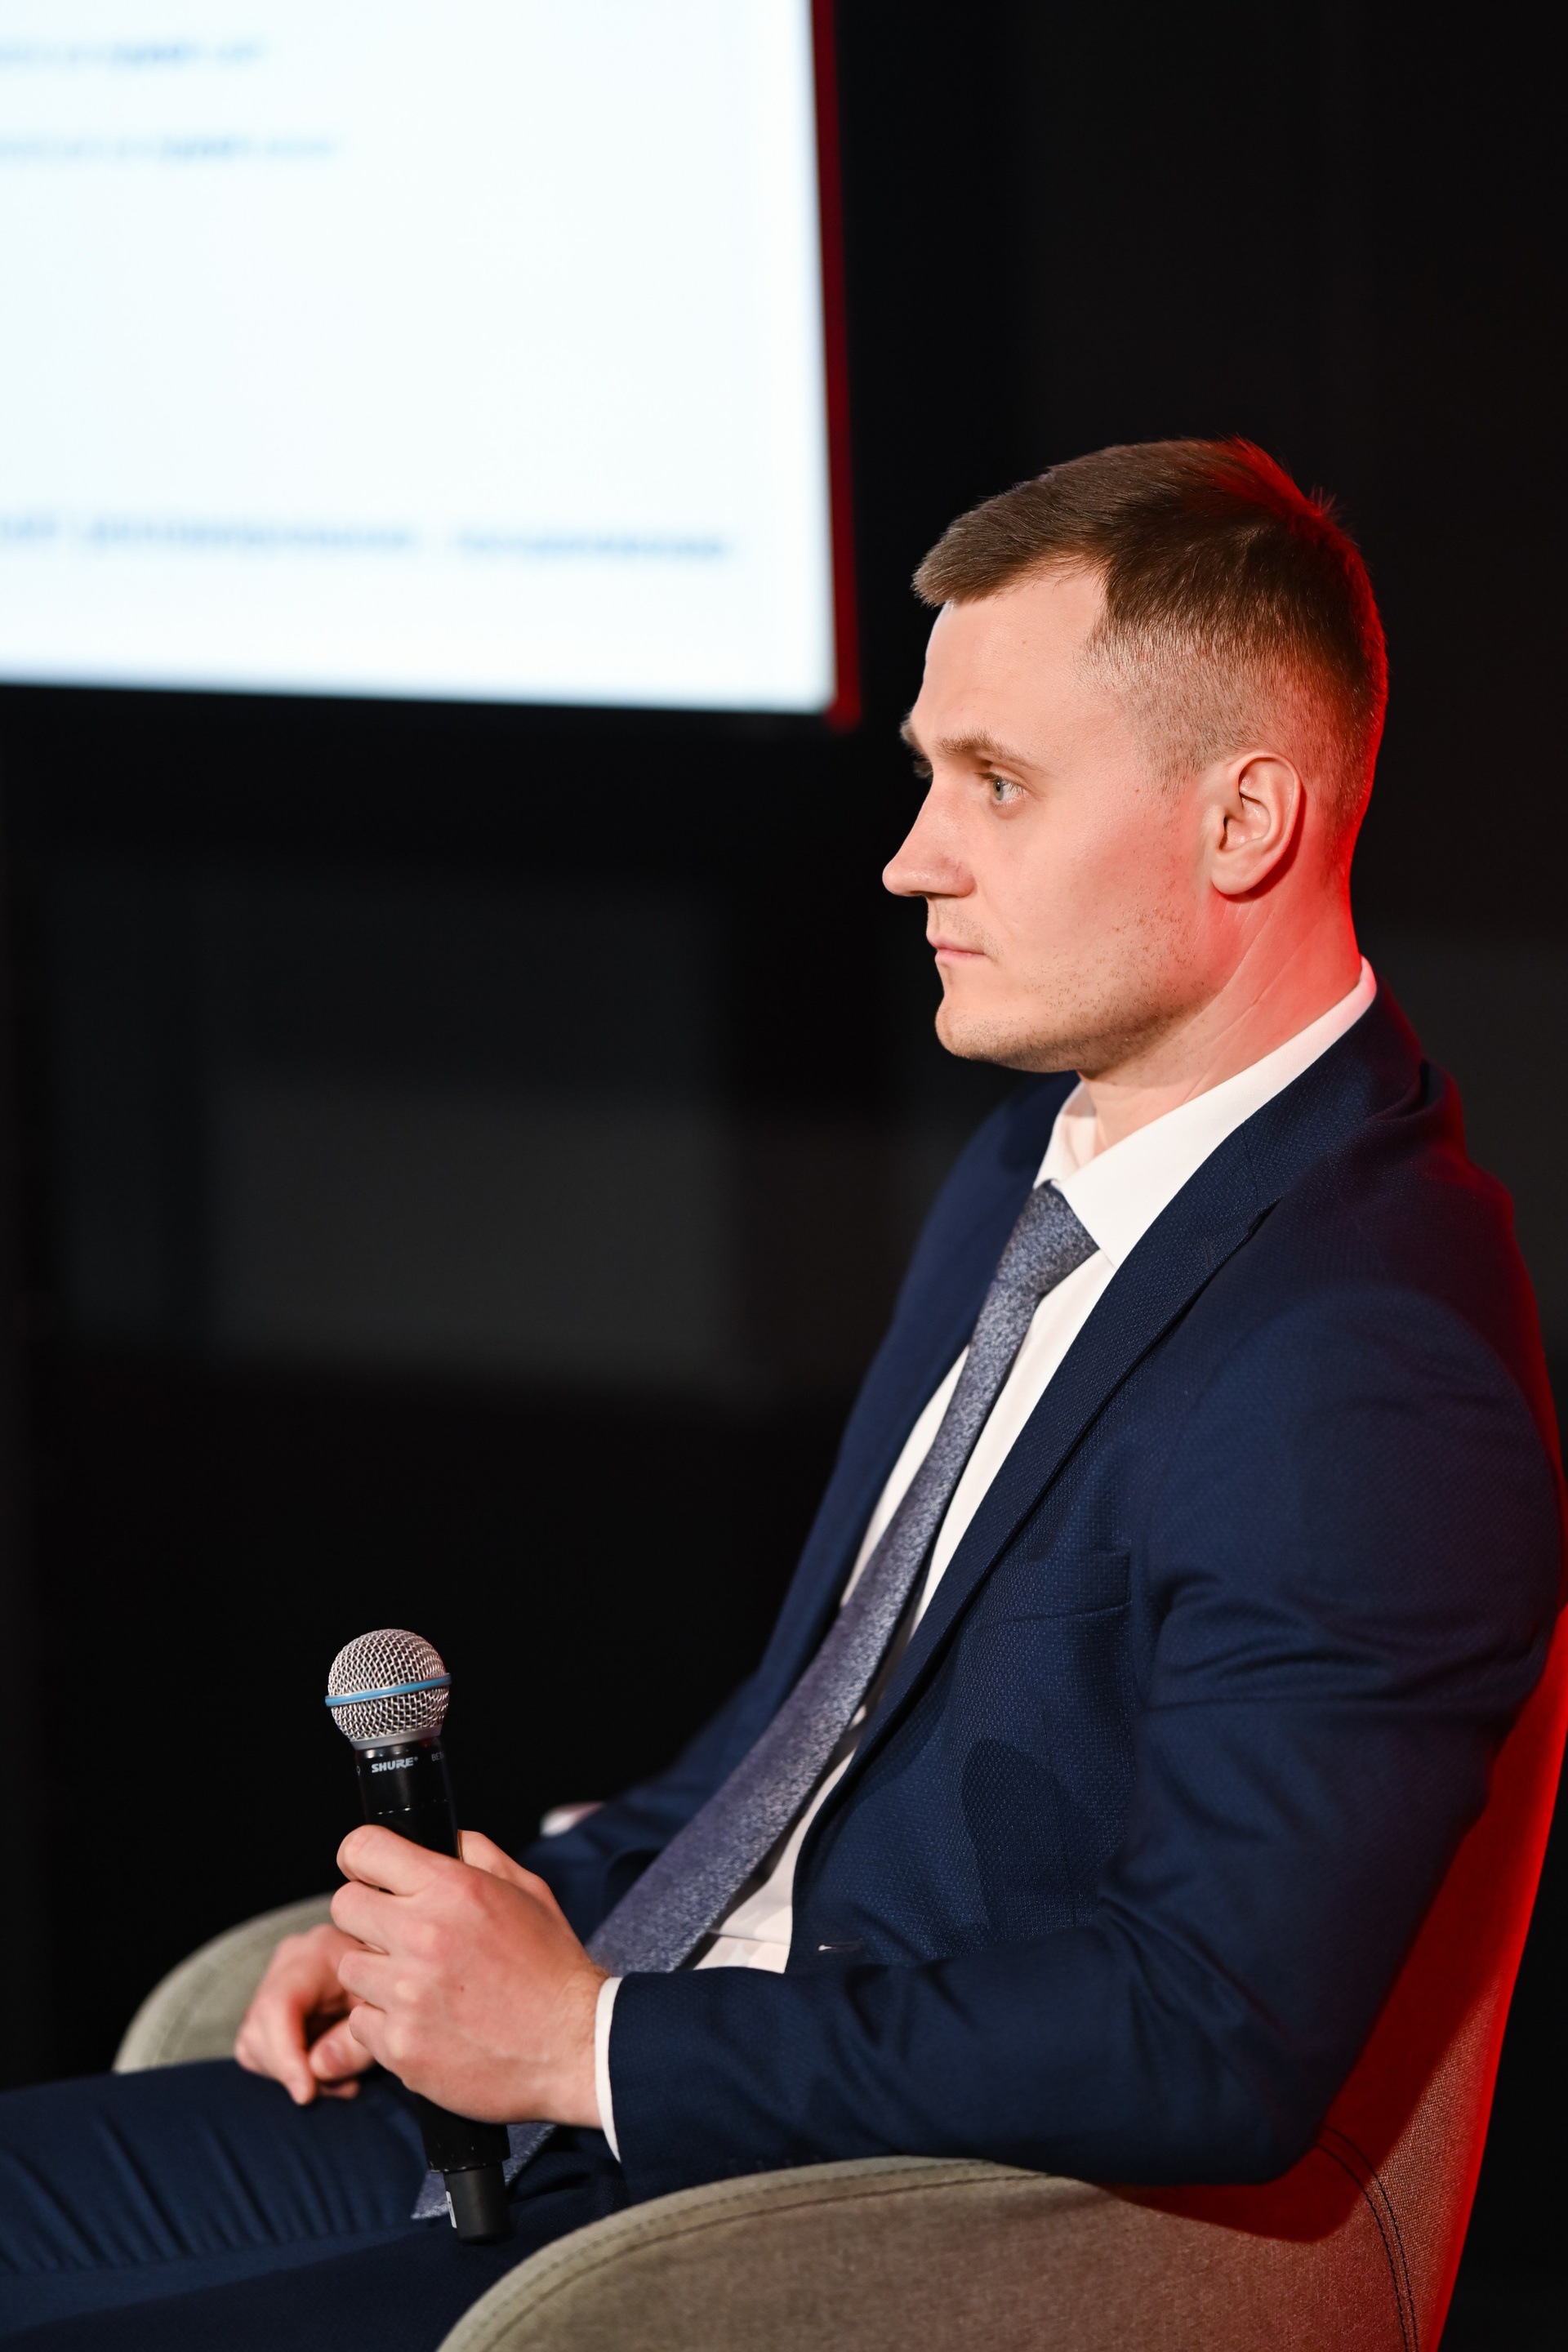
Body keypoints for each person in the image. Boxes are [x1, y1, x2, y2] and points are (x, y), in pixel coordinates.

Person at [0, 439, 1559, 2350]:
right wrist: (503, 1925)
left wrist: (588, 2041)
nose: (915, 855)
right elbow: (806, 1732)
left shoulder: (1369, 1361)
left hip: (790, 2207)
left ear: (1244, 820)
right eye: (928, 775)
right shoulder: (1035, 1159)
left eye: (997, 784)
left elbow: (1208, 2029)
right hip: (612, 2101)